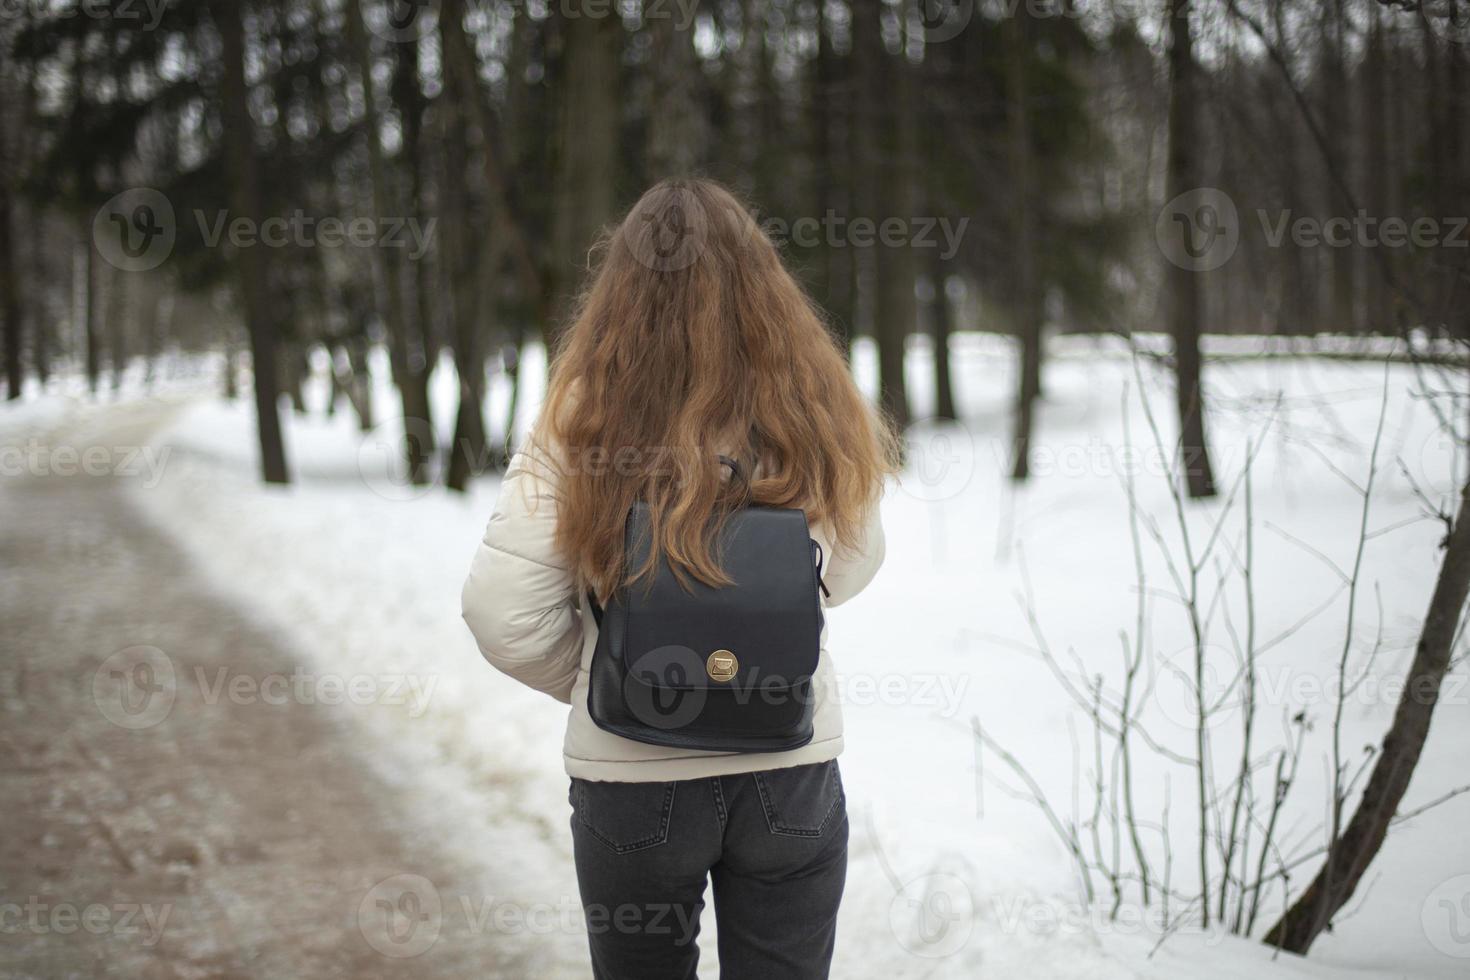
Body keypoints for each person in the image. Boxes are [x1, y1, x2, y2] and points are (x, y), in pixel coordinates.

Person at [461, 177, 895, 980]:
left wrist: (627, 673)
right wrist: (758, 639)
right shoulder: (807, 399)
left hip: (634, 781)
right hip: (786, 769)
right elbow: (856, 557)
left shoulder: (584, 412)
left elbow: (500, 612)